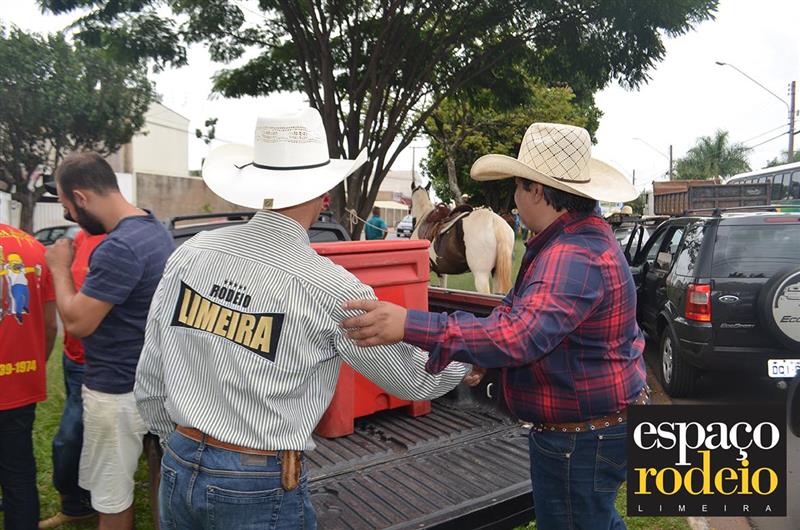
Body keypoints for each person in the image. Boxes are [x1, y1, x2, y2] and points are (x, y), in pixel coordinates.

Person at [134, 107, 472, 529]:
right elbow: (411, 381)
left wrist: (176, 443)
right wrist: (466, 359)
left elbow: (150, 376)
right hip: (256, 482)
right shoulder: (329, 288)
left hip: (179, 462)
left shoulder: (191, 253)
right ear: (323, 192)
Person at [341, 123, 647, 530]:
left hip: (579, 438)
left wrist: (409, 324)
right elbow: (522, 317)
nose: (515, 199)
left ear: (536, 191)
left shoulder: (571, 255)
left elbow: (520, 335)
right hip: (594, 427)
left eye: (518, 187)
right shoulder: (575, 241)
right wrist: (489, 357)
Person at [45, 153, 174, 530]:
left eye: (68, 207)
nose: (70, 217)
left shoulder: (119, 247)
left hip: (115, 391)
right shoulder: (153, 227)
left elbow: (78, 322)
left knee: (111, 497)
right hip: (149, 379)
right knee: (157, 481)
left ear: (80, 197)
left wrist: (59, 268)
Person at [39, 229, 103, 528]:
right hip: (73, 356)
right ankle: (78, 502)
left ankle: (81, 503)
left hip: (99, 362)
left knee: (69, 439)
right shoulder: (78, 239)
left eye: (66, 205)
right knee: (79, 433)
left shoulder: (117, 242)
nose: (64, 208)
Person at [0, 223, 57, 530]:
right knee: (18, 471)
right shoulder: (33, 246)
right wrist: (33, 364)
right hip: (19, 381)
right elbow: (50, 325)